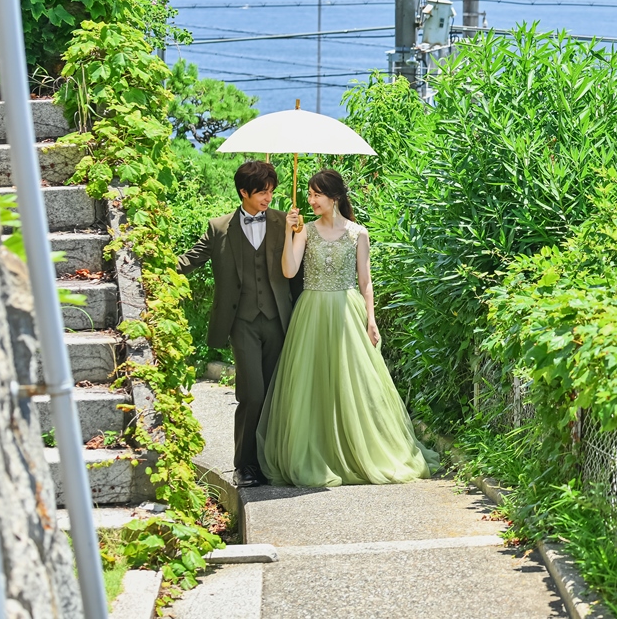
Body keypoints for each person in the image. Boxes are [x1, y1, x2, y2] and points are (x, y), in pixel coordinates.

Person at [256, 168, 437, 486]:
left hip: (347, 312)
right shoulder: (305, 230)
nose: (311, 200)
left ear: (334, 197)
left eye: (316, 195)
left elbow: (366, 282)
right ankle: (319, 455)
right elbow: (289, 270)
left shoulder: (358, 233)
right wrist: (288, 231)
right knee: (312, 387)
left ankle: (360, 452)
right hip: (312, 312)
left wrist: (371, 318)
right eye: (309, 194)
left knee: (354, 385)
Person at [178, 160, 296, 488]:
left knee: (276, 394)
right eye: (262, 192)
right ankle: (244, 465)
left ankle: (271, 461)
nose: (269, 197)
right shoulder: (219, 228)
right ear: (244, 192)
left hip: (277, 319)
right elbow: (191, 259)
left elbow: (297, 270)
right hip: (241, 322)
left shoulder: (282, 222)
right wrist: (154, 271)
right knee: (252, 393)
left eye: (272, 191)